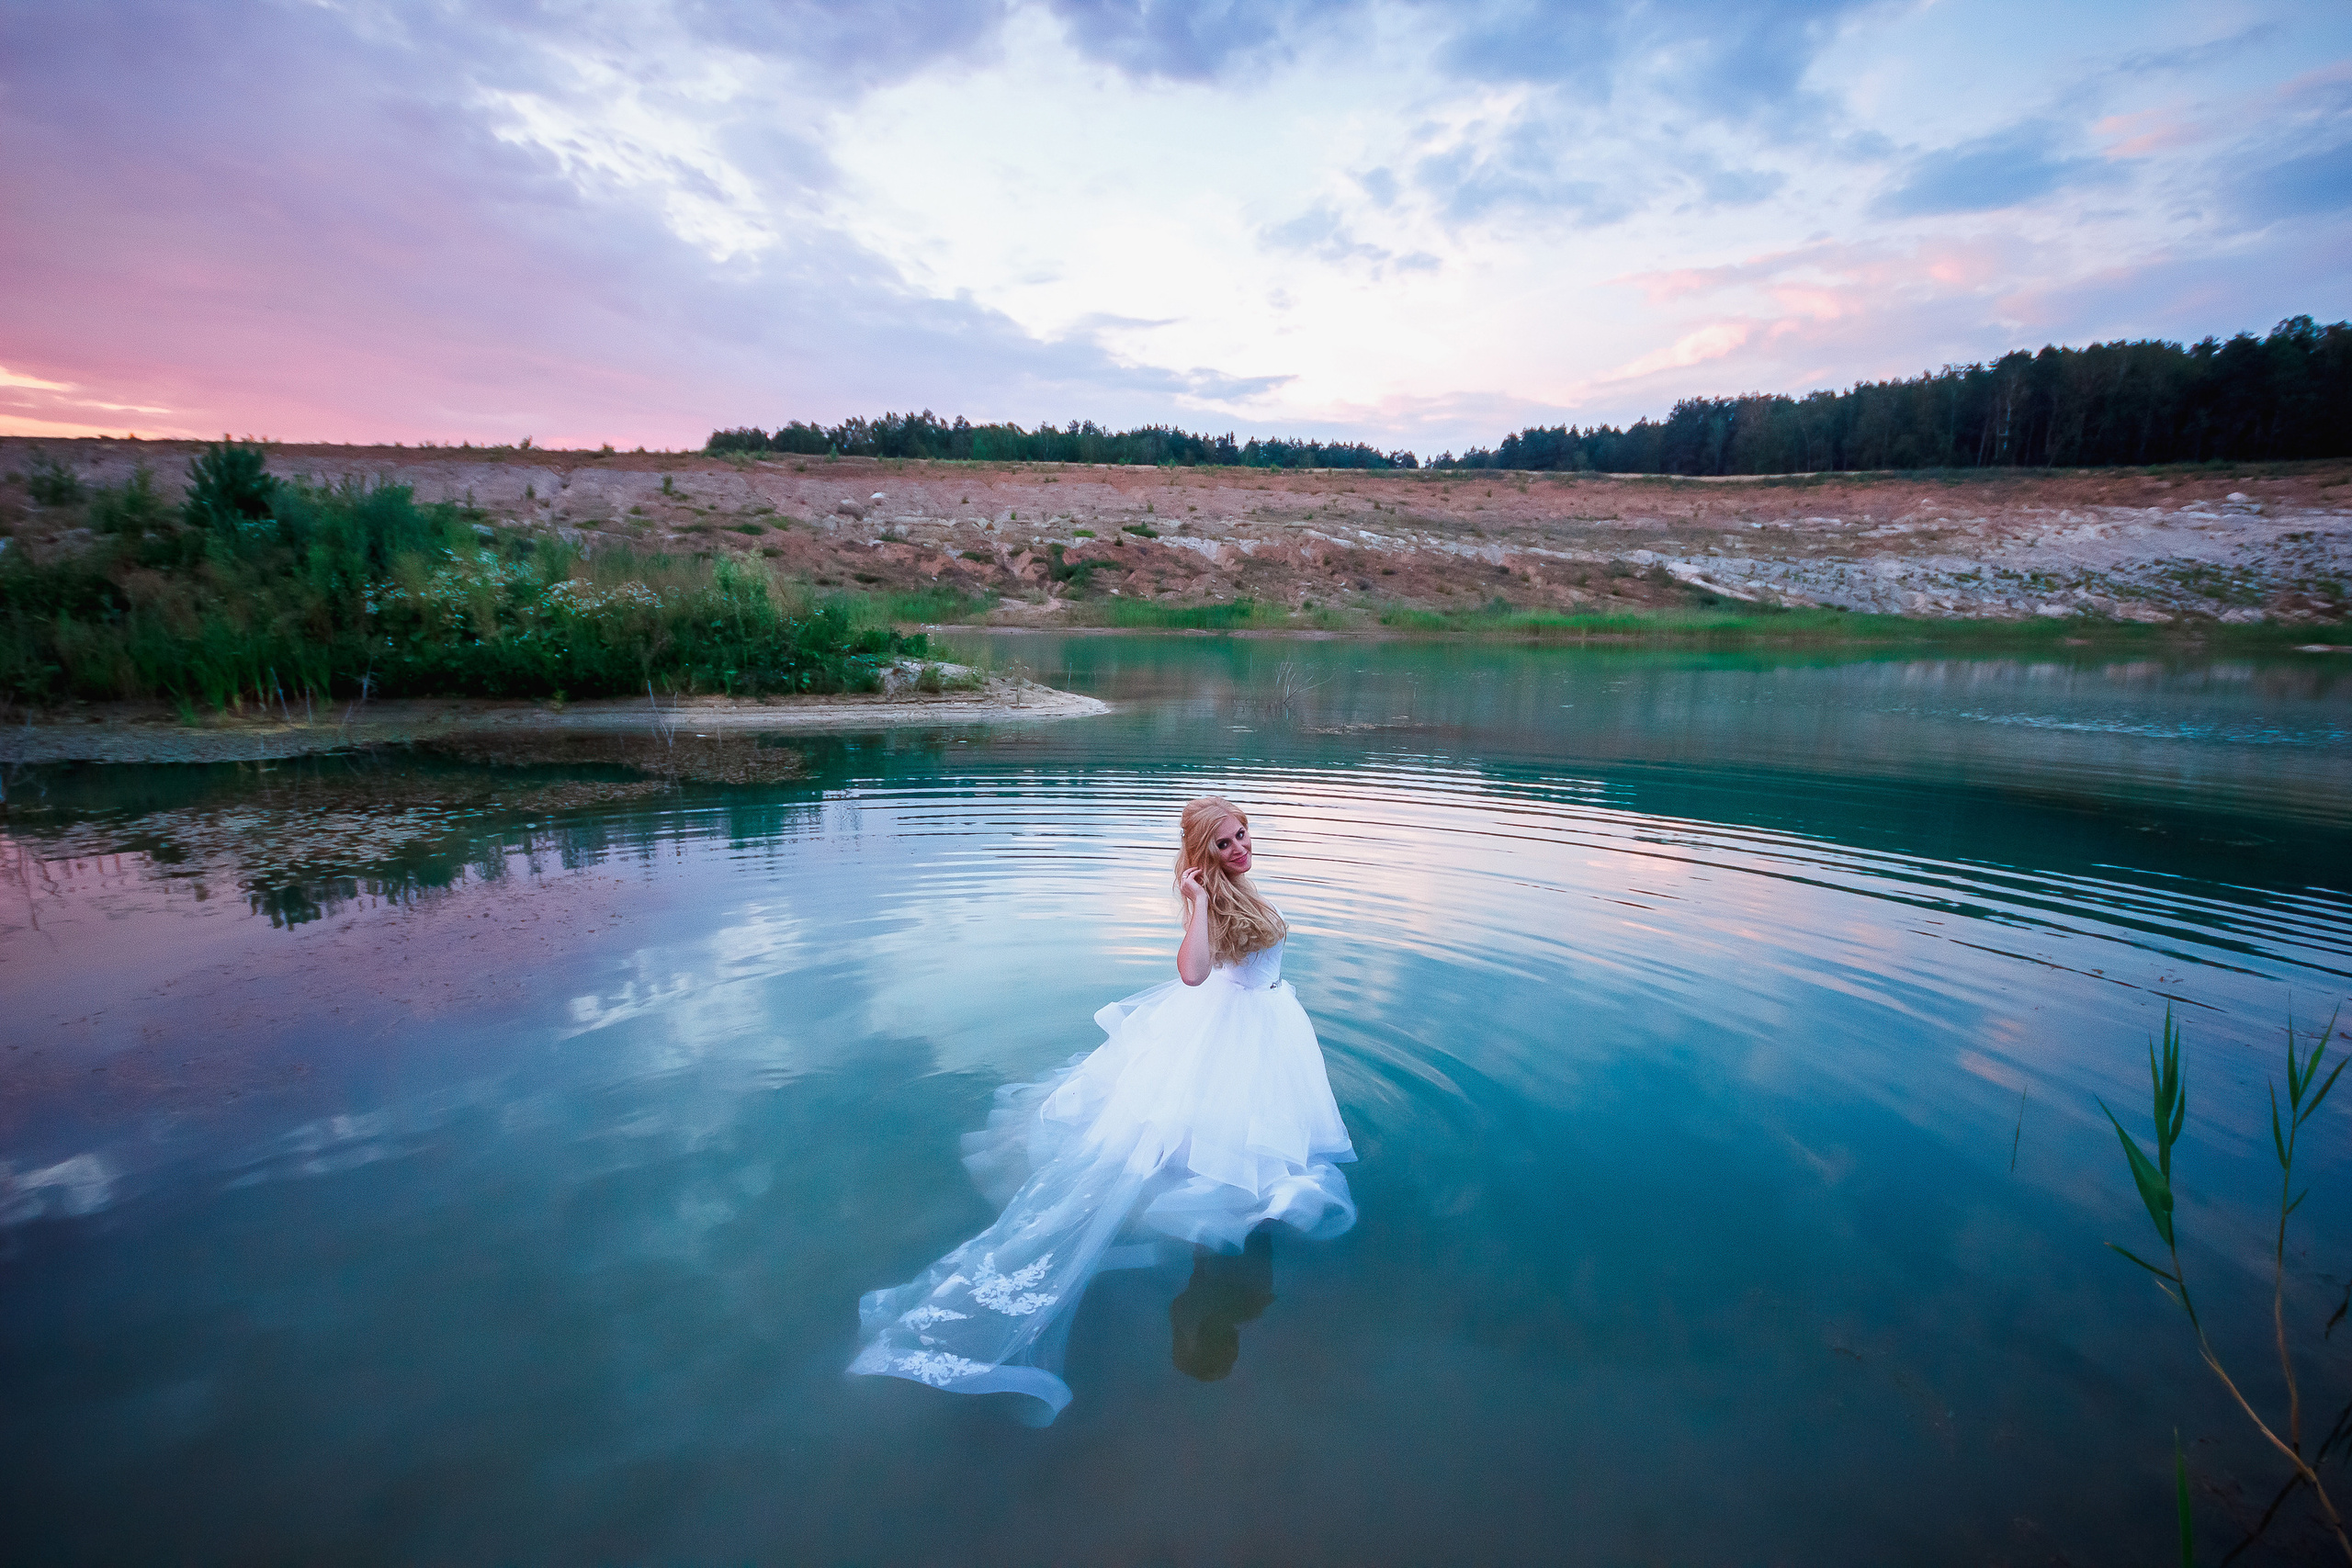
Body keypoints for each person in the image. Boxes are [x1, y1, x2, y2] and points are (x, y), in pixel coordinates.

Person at [847, 795, 1356, 1423]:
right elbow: (1194, 972)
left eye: (1243, 834)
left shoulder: (1242, 886)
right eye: (1224, 843)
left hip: (1261, 1025)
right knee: (1221, 1150)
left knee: (1230, 1142)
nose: (1240, 847)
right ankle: (1222, 1211)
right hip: (1238, 1031)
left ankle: (1230, 1206)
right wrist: (1197, 900)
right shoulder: (1213, 899)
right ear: (1204, 855)